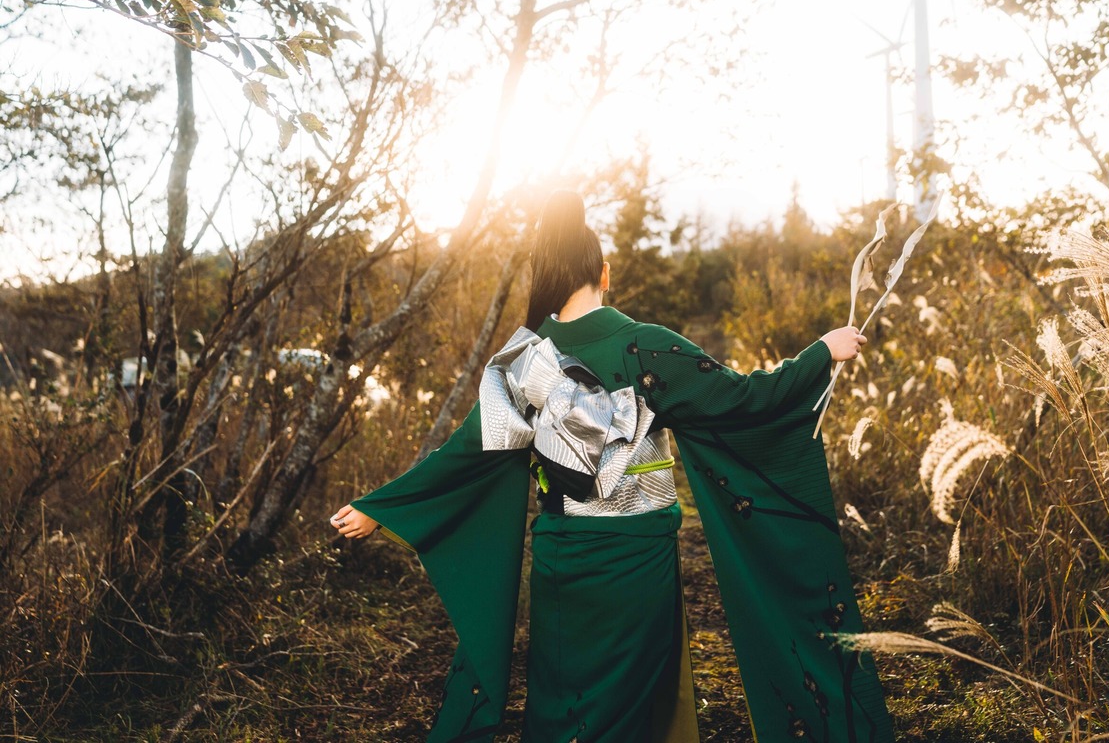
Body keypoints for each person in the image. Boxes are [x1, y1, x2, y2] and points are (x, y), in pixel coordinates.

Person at [331, 191, 894, 742]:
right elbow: (745, 400)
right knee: (631, 705)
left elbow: (468, 450)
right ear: (604, 272)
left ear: (549, 277)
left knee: (561, 706)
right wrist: (821, 351)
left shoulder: (521, 359)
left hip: (561, 556)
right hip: (637, 556)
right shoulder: (649, 349)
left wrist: (381, 508)